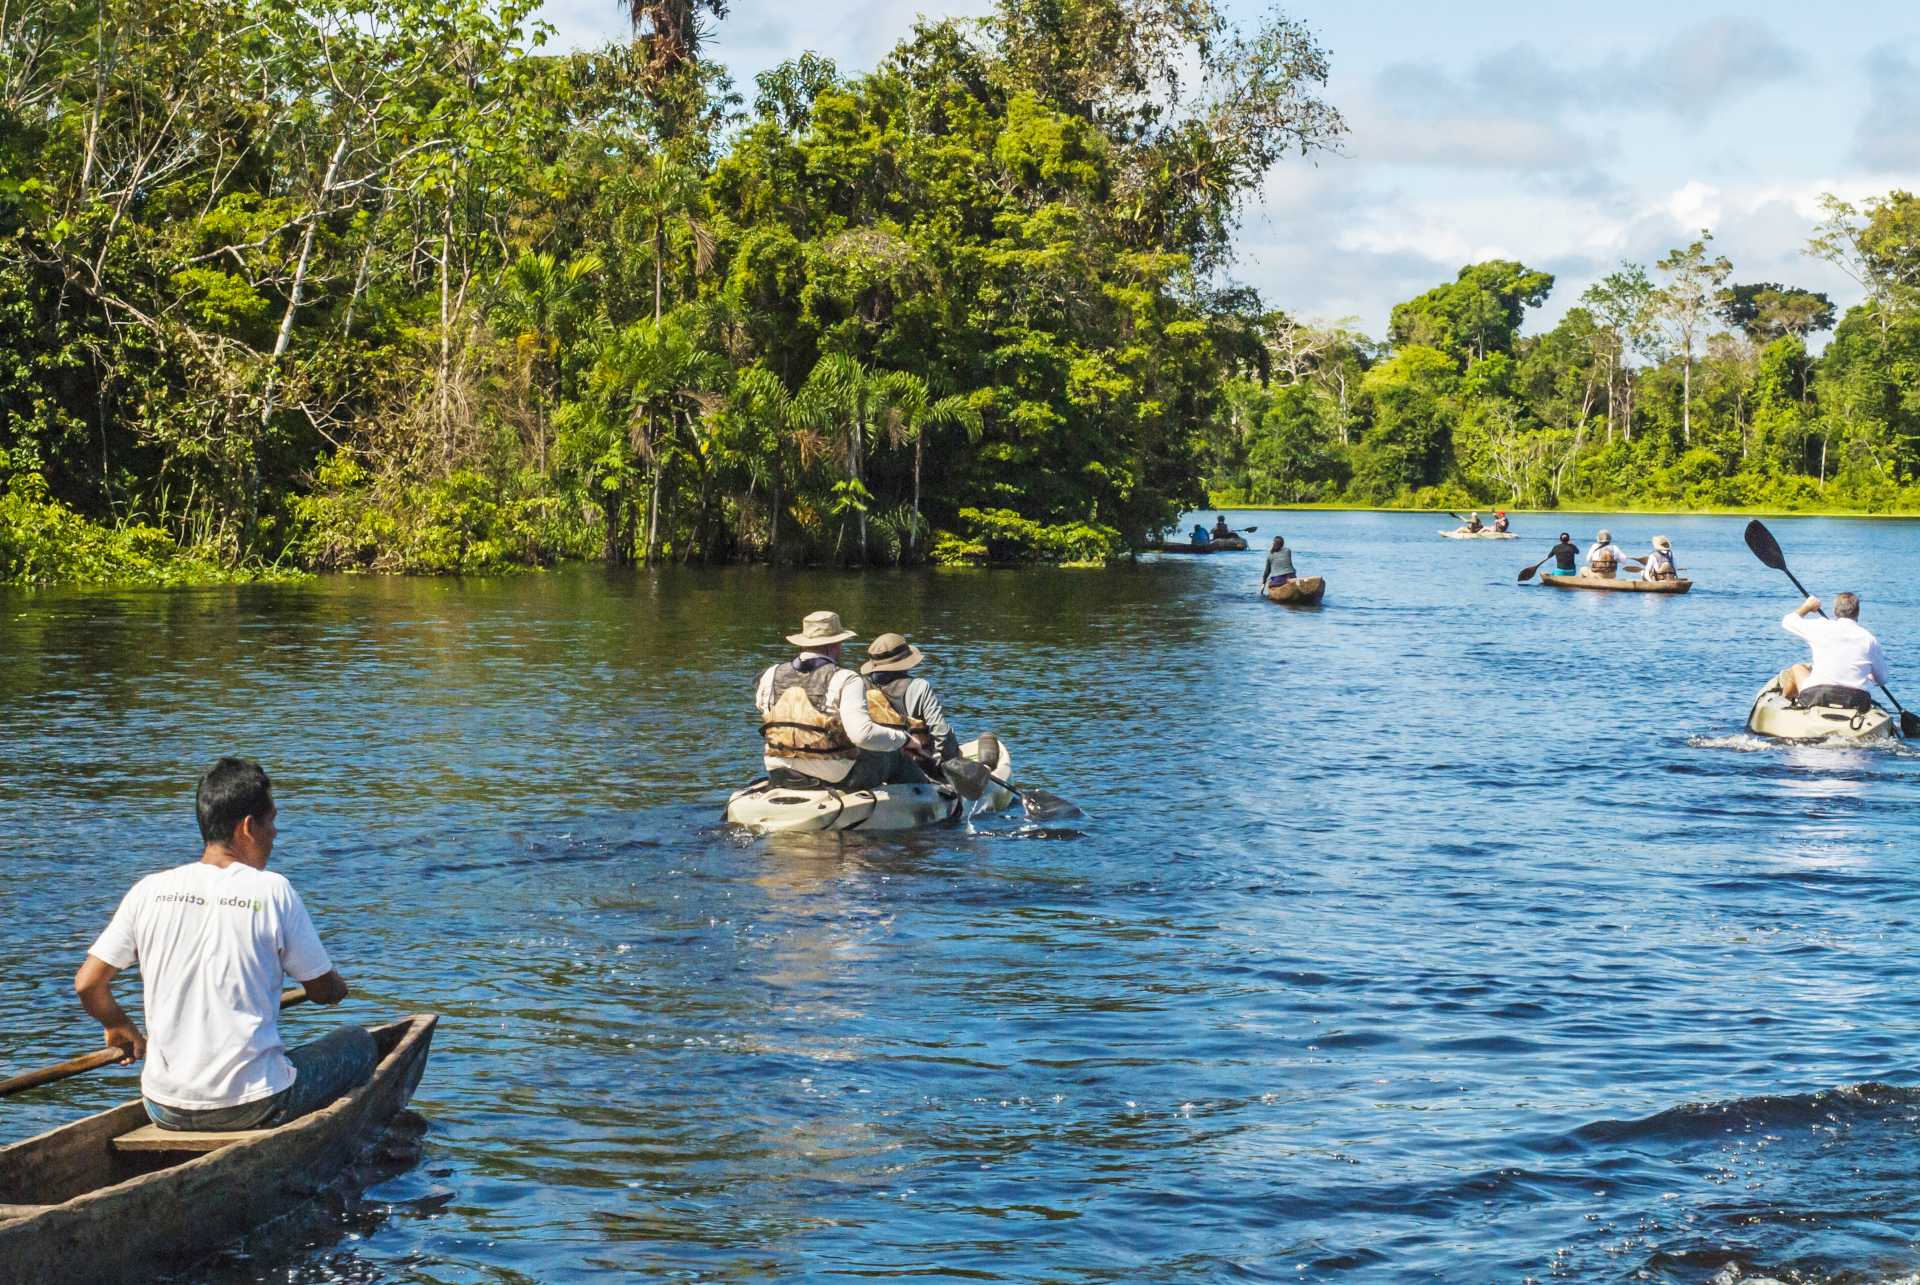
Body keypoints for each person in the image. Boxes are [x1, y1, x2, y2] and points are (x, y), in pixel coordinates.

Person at [74, 758, 374, 1133]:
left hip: (163, 1106)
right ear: (248, 826)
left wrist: (117, 1024)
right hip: (253, 1105)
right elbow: (323, 990)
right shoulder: (272, 890)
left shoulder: (148, 890)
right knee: (360, 1044)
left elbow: (88, 984)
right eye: (272, 821)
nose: (275, 834)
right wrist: (337, 988)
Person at [755, 610, 922, 792]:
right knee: (895, 754)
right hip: (834, 777)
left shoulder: (770, 674)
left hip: (780, 772)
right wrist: (905, 740)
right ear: (834, 643)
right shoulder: (846, 678)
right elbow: (862, 735)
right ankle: (935, 799)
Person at [862, 632, 962, 767]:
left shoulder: (859, 687)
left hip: (876, 769)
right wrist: (955, 760)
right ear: (905, 664)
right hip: (916, 768)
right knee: (987, 740)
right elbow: (941, 734)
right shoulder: (919, 688)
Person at [1779, 593, 1887, 711]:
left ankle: (1783, 703)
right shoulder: (1870, 640)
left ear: (1834, 611)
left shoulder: (1821, 627)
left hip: (1817, 696)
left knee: (1796, 669)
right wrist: (1871, 675)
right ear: (1858, 613)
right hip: (1857, 701)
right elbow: (1882, 680)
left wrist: (1807, 607)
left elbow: (1787, 622)